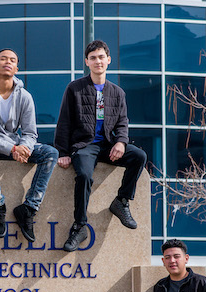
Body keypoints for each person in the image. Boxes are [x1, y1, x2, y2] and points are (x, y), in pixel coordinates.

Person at [54, 39, 148, 251]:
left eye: (101, 57)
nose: (98, 61)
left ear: (109, 60)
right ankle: (79, 226)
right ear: (87, 62)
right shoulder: (75, 89)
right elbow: (64, 122)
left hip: (108, 144)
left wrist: (122, 143)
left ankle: (121, 201)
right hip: (84, 145)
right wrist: (63, 151)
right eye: (93, 58)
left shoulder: (118, 92)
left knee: (139, 156)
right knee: (85, 176)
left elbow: (123, 122)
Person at [0, 48, 59, 242]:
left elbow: (30, 133)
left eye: (12, 60)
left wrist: (23, 148)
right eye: (3, 59)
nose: (7, 62)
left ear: (17, 68)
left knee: (50, 153)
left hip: (13, 146)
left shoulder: (24, 97)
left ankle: (29, 208)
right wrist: (11, 149)